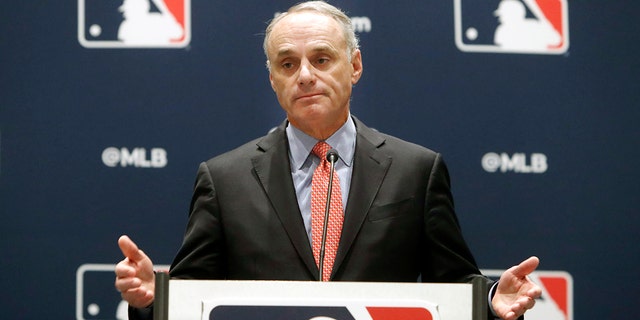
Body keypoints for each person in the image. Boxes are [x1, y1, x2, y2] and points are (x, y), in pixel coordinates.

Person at [115, 1, 542, 319]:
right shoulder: (224, 179)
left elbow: (451, 283)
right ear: (273, 80)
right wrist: (153, 301)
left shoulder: (416, 170)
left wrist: (491, 299)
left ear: (354, 66)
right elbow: (194, 294)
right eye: (287, 63)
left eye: (321, 59)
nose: (304, 75)